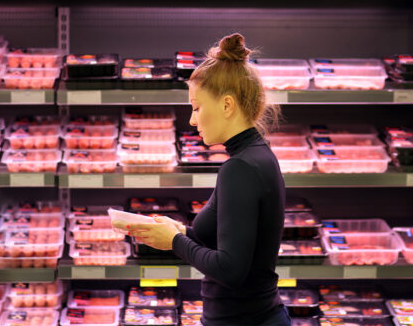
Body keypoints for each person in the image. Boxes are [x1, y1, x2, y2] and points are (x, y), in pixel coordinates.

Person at [117, 33, 290, 326]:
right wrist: (181, 231)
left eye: (197, 107)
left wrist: (174, 241)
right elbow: (233, 244)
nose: (192, 120)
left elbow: (230, 269)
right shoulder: (258, 155)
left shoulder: (240, 168)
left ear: (226, 105)